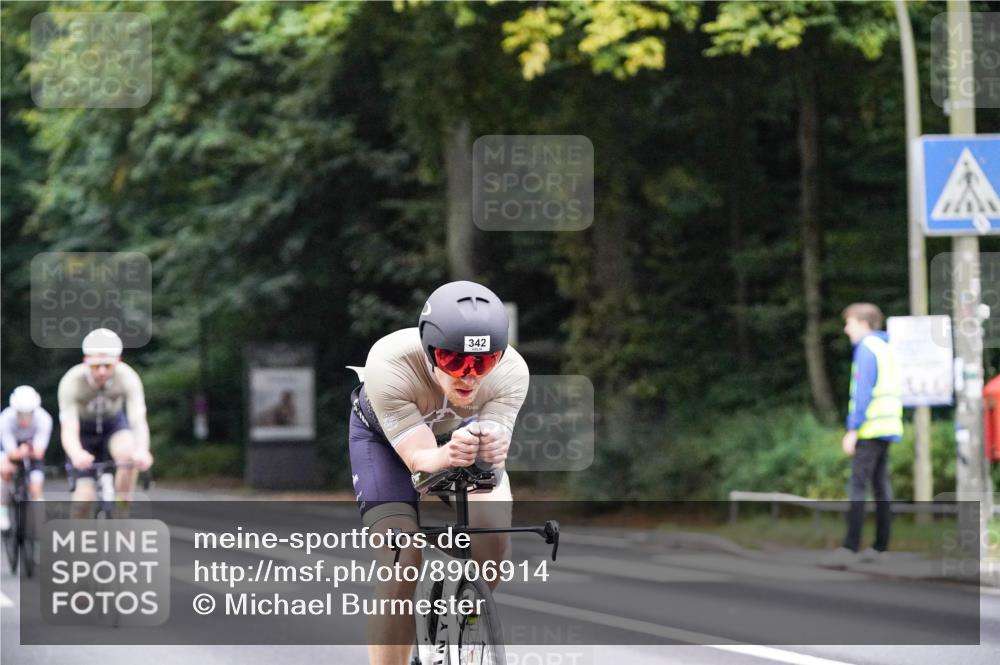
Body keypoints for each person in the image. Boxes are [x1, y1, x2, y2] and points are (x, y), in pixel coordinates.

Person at [348, 280, 528, 665]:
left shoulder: (512, 371)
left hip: (455, 440)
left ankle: (466, 624)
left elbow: (492, 447)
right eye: (452, 361)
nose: (467, 376)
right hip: (386, 444)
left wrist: (490, 448)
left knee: (494, 539)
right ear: (429, 352)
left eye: (482, 362)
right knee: (402, 558)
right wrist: (446, 454)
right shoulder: (390, 362)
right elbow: (419, 462)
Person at [821, 303, 903, 569]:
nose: (846, 329)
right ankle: (881, 547)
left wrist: (853, 429)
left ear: (864, 323)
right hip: (888, 426)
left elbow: (862, 392)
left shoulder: (867, 349)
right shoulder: (886, 347)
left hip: (869, 428)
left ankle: (850, 547)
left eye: (850, 323)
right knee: (881, 487)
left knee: (857, 487)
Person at [58, 328, 153, 513]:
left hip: (113, 425)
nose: (101, 372)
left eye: (108, 366)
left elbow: (137, 419)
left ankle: (122, 507)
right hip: (83, 432)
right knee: (83, 500)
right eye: (95, 366)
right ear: (85, 362)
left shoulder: (128, 377)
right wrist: (76, 453)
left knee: (129, 456)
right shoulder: (71, 382)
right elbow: (69, 427)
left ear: (118, 361)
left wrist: (142, 450)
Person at [0, 386, 53, 532]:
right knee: (5, 471)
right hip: (11, 449)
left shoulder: (44, 419)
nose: (24, 418)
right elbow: (10, 452)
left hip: (32, 449)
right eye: (20, 414)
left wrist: (27, 451)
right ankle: (2, 509)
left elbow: (39, 452)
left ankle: (42, 522)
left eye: (28, 413)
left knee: (36, 487)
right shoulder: (5, 418)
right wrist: (20, 453)